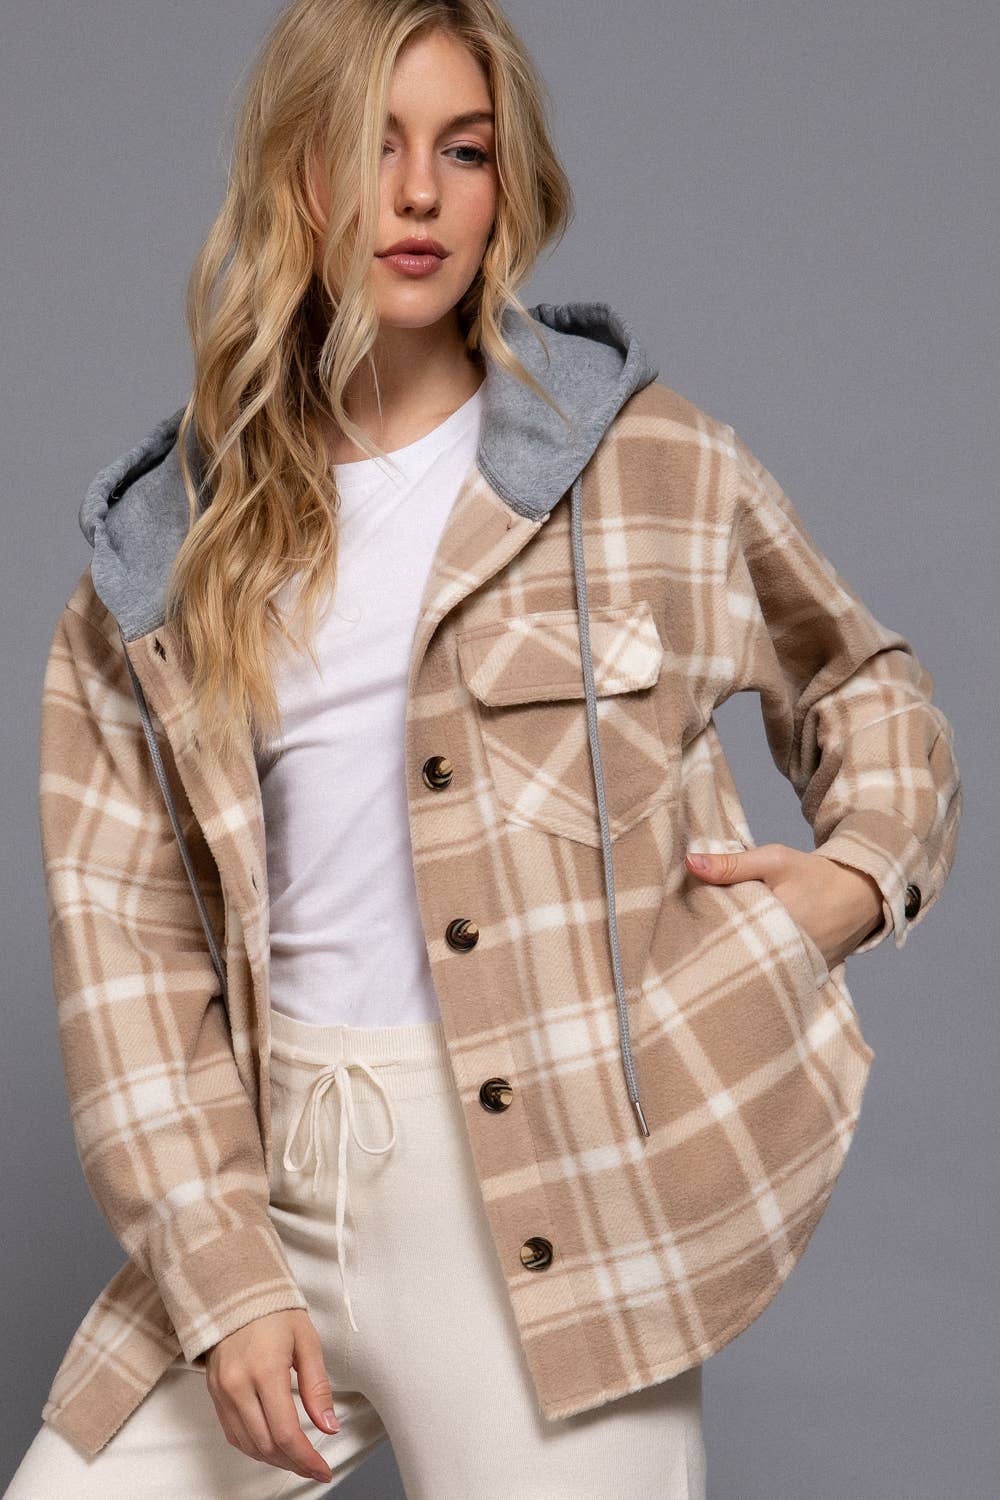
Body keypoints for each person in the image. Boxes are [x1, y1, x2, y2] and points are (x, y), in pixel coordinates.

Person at [6, 0, 962, 1496]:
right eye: (370, 146)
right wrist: (223, 1271)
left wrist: (855, 882)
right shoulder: (165, 551)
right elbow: (126, 949)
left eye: (463, 150)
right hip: (272, 1187)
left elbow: (865, 685)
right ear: (294, 174)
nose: (418, 195)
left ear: (508, 183)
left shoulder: (644, 466)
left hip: (552, 1201)